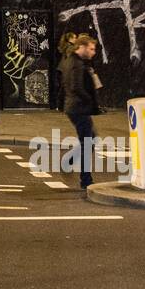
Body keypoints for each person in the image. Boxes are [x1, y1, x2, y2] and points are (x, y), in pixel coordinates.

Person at [58, 32, 100, 188]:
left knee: (91, 139)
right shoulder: (76, 64)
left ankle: (69, 162)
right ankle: (85, 179)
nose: (93, 52)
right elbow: (76, 87)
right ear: (81, 47)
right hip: (78, 108)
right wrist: (89, 99)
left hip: (73, 107)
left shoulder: (71, 61)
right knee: (88, 143)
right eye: (91, 49)